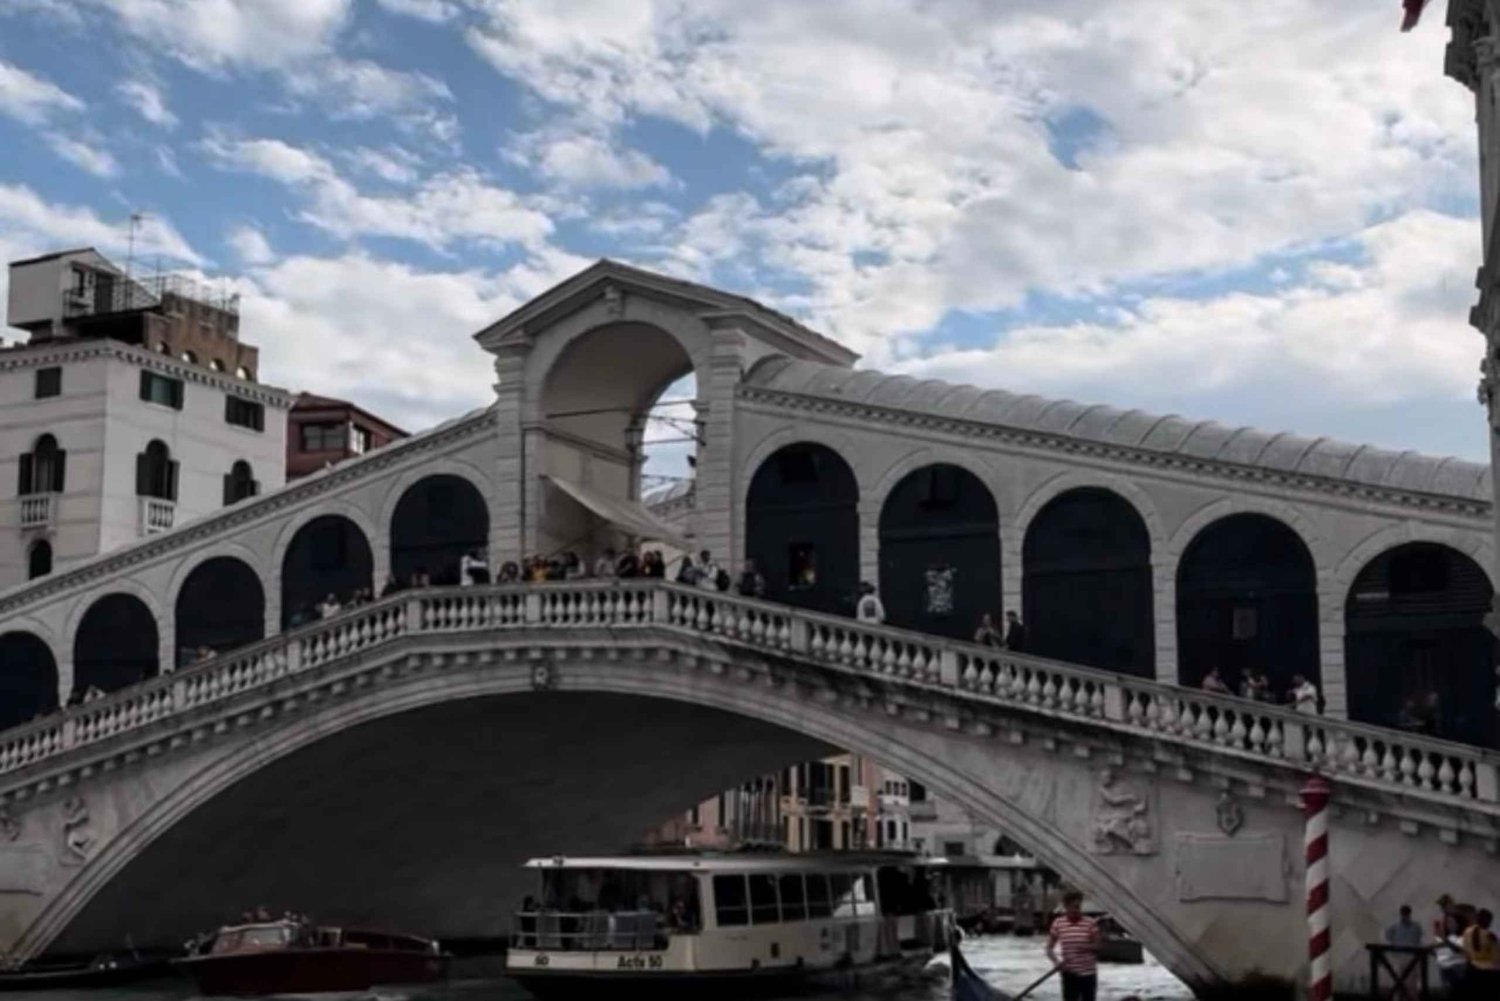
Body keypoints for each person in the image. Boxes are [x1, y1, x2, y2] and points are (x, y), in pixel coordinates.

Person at [1046, 889, 1100, 1001]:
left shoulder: (1090, 923)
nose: (1077, 910)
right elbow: (1049, 949)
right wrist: (1057, 962)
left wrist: (1086, 947)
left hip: (1088, 973)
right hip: (1069, 973)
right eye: (1074, 907)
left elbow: (1098, 946)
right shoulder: (1058, 923)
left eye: (1079, 907)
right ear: (1066, 907)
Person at [1462, 908, 1499, 996]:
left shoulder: (1467, 932)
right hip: (1487, 971)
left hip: (1472, 969)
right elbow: (1496, 957)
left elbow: (1466, 951)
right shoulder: (1490, 936)